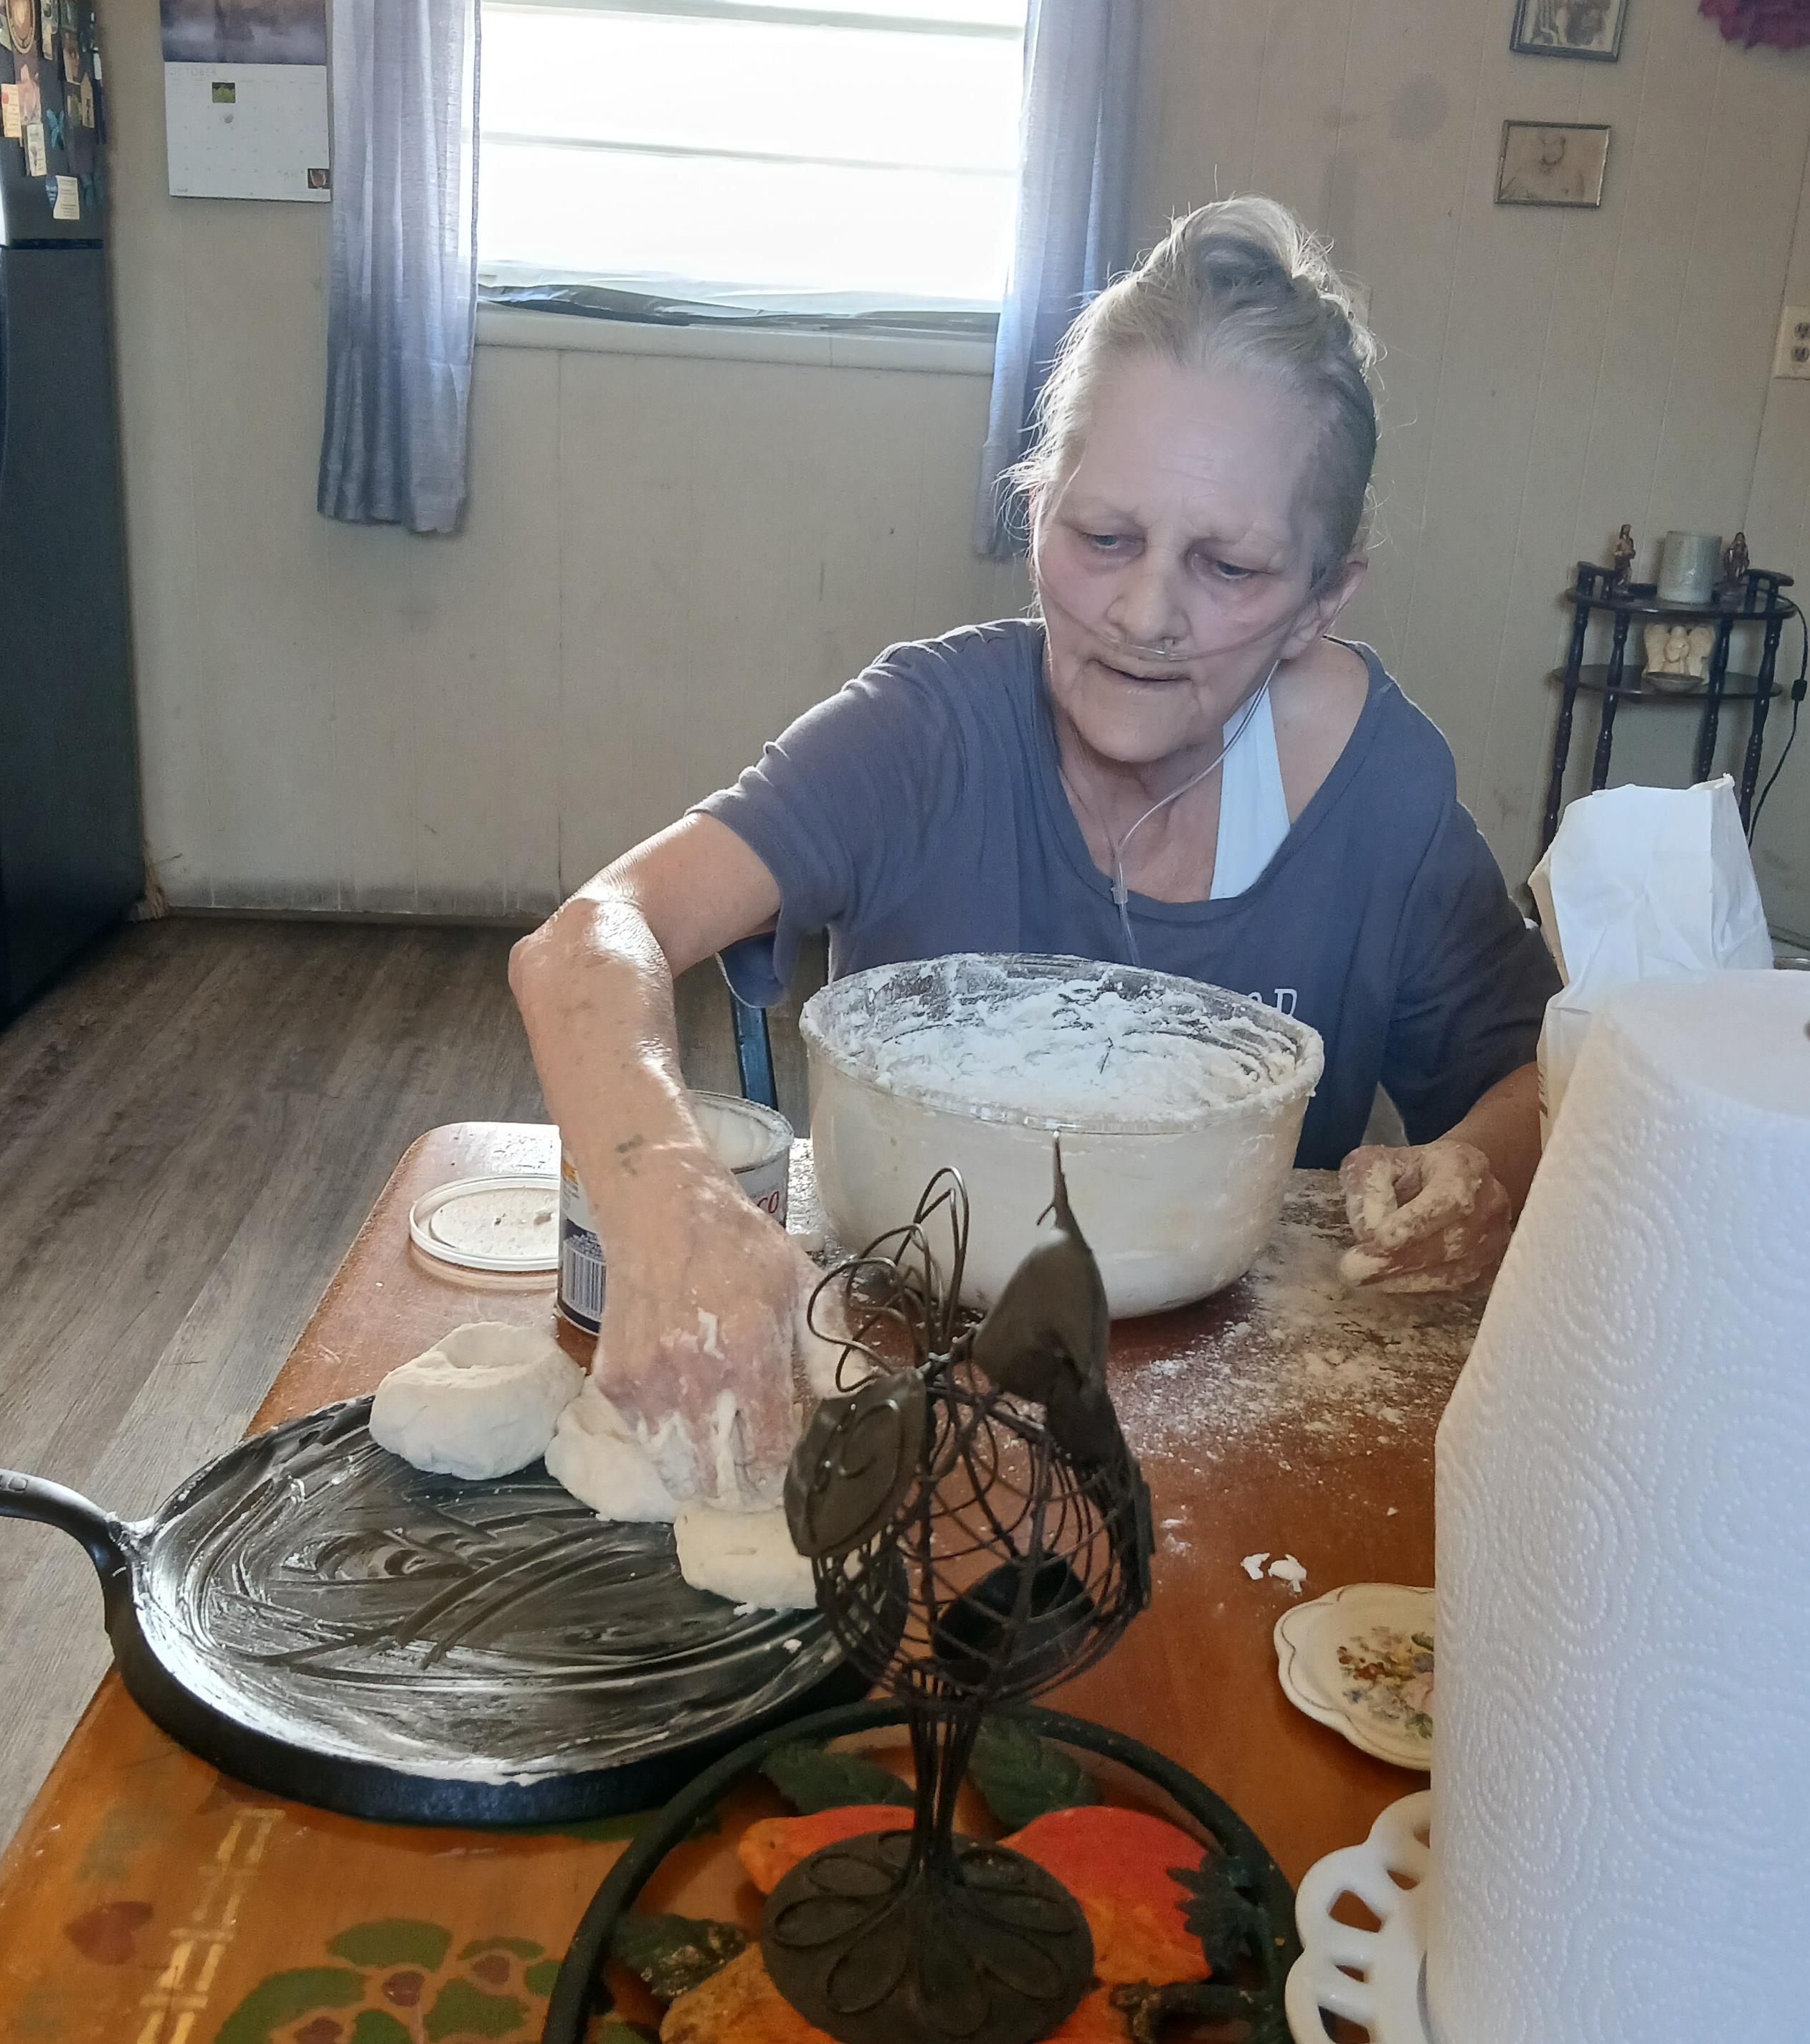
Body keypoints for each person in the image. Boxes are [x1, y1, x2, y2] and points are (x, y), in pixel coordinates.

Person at [511, 198, 1558, 1504]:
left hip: (1236, 1451)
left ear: (1323, 599)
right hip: (901, 1396)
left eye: (1229, 566)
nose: (1145, 613)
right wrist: (665, 1193)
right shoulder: (926, 736)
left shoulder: (1380, 796)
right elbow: (587, 944)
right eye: (1102, 537)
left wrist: (1478, 1169)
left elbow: (1538, 1074)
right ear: (1038, 501)